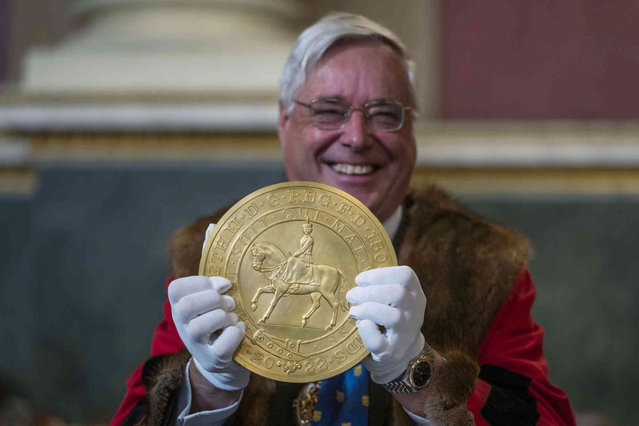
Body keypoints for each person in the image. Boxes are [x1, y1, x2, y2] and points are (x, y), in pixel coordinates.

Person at [112, 12, 576, 425]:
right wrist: (207, 386)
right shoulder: (209, 252)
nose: (356, 137)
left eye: (384, 114)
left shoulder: (484, 262)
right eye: (329, 111)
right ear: (284, 121)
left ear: (411, 132)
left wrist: (421, 377)